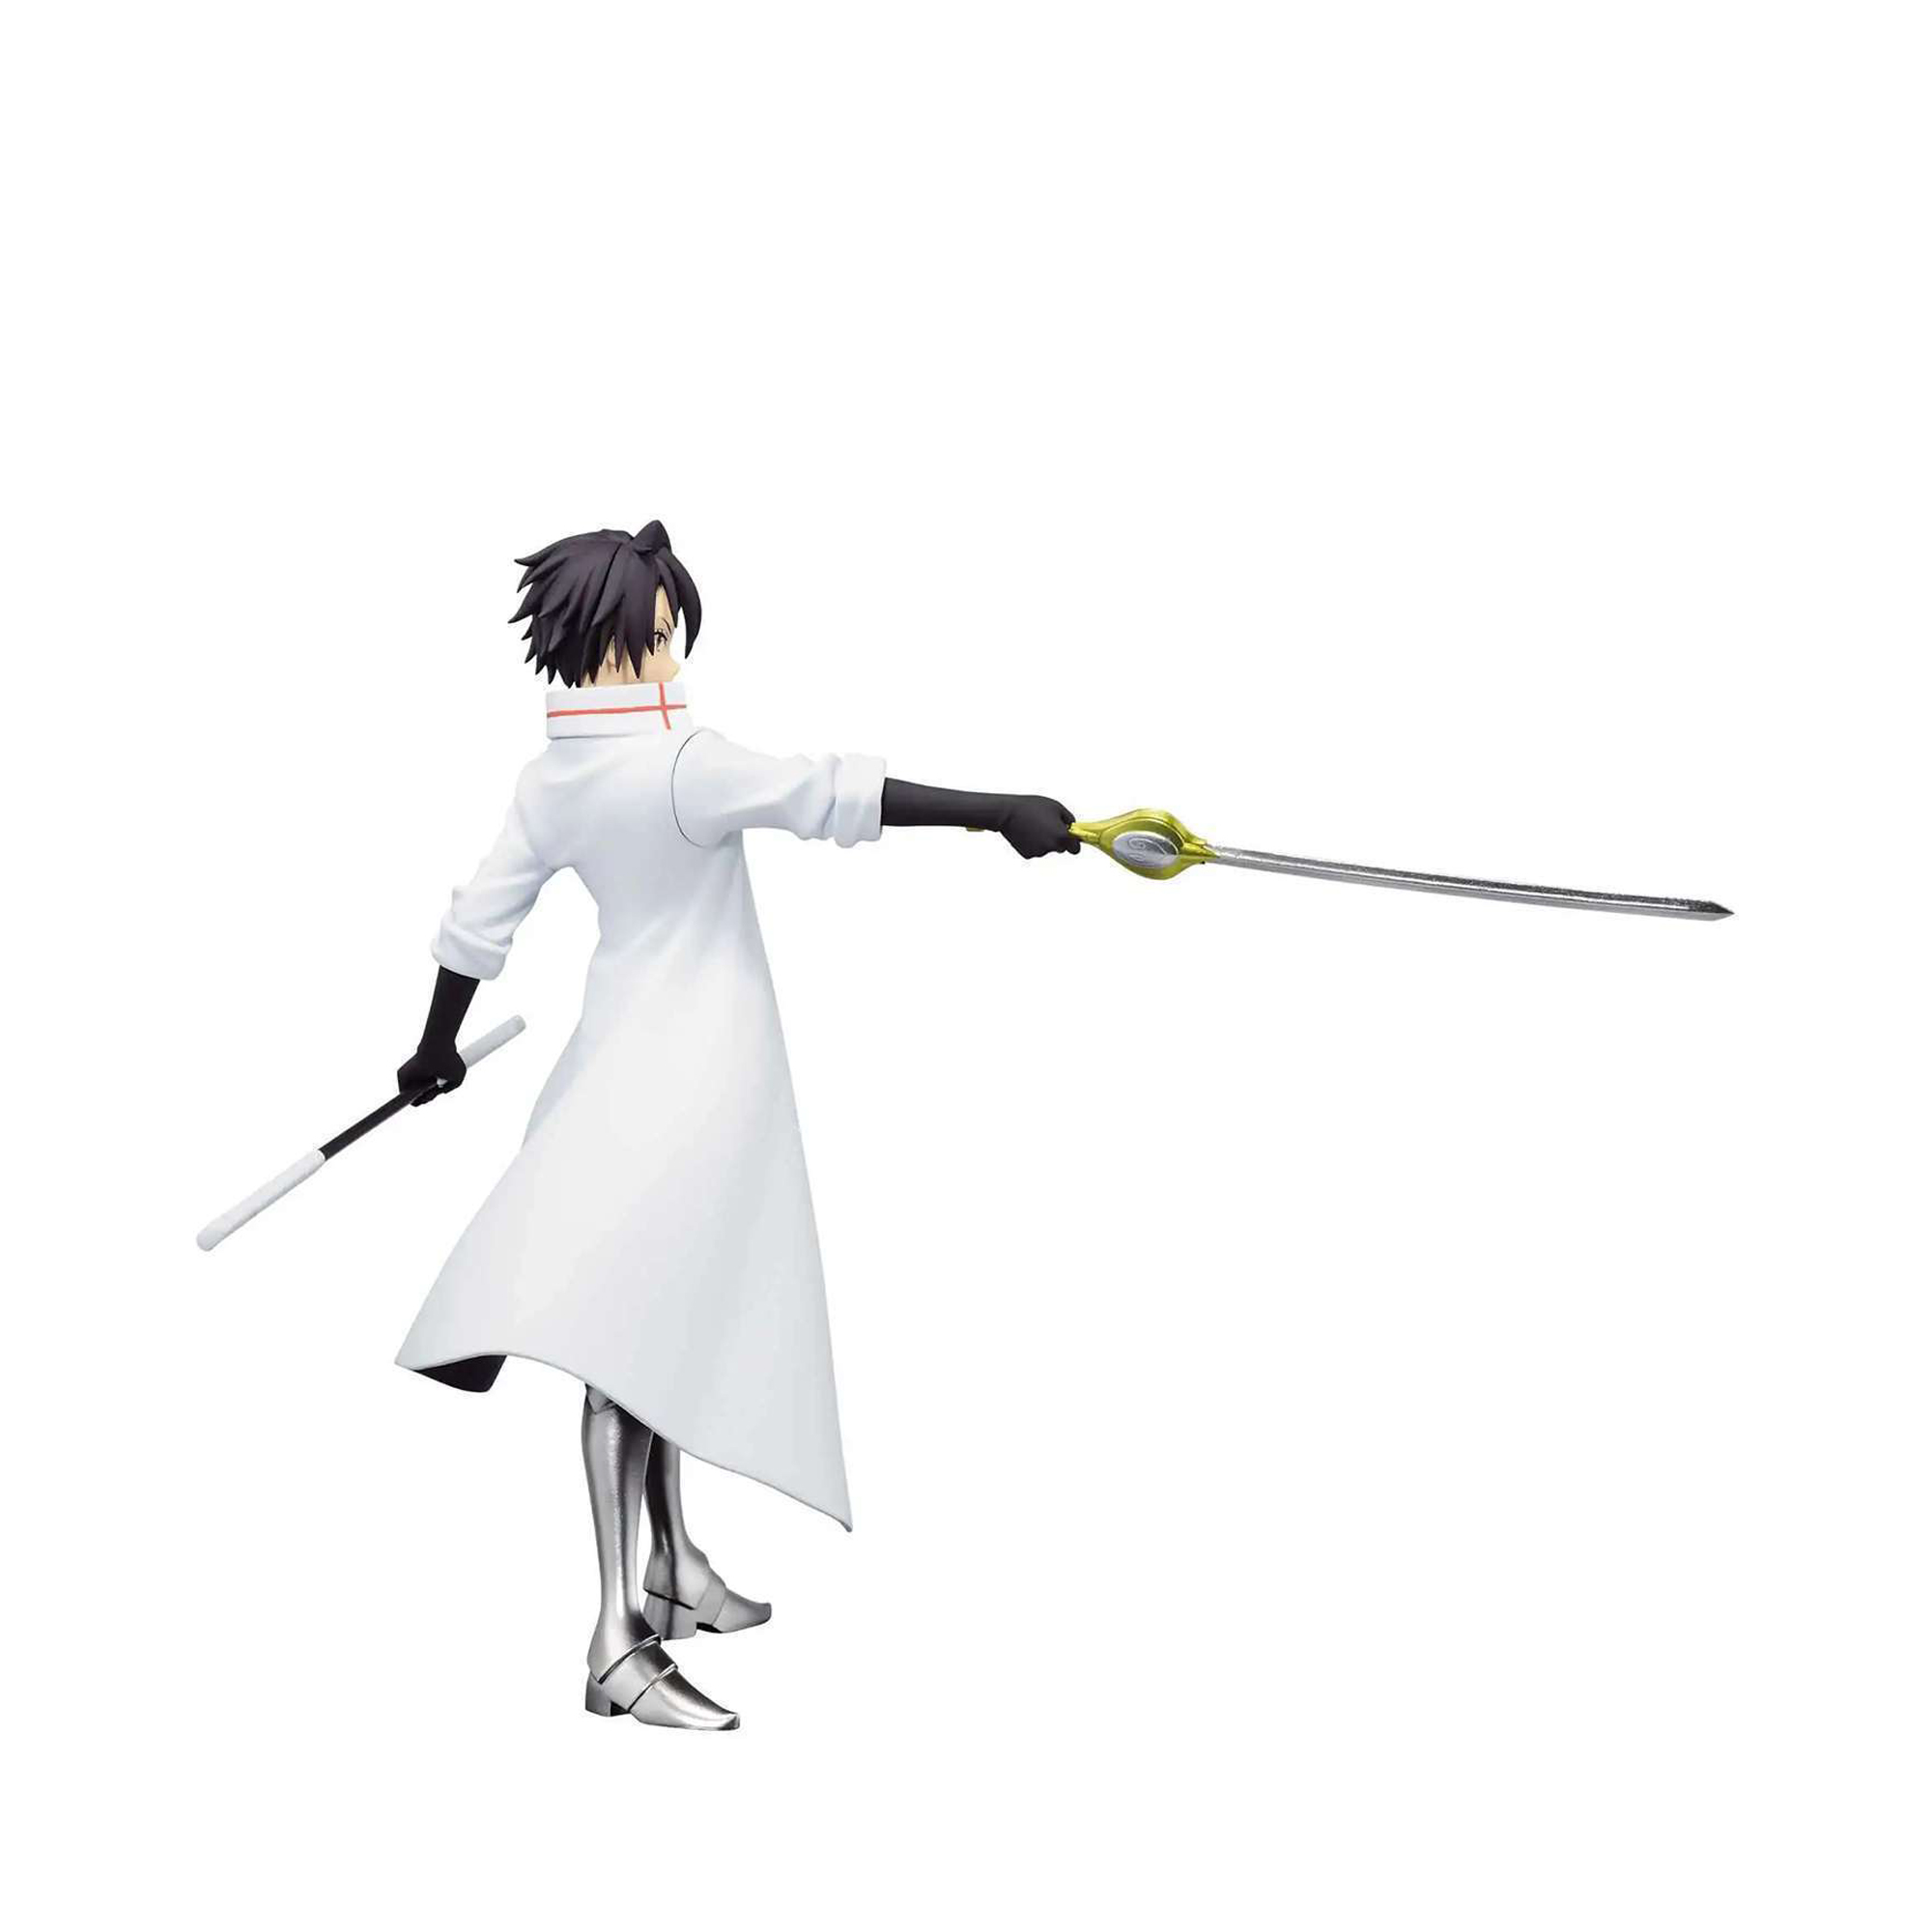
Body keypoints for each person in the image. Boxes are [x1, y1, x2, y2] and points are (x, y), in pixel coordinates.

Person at [393, 521, 1078, 1729]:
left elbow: (478, 921)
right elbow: (832, 793)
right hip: (695, 1080)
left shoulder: (550, 778)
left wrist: (434, 1042)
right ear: (615, 636)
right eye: (659, 633)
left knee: (657, 1313)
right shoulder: (681, 764)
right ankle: (614, 1637)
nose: (671, 654)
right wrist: (993, 811)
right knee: (629, 1335)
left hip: (616, 1065)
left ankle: (672, 1566)